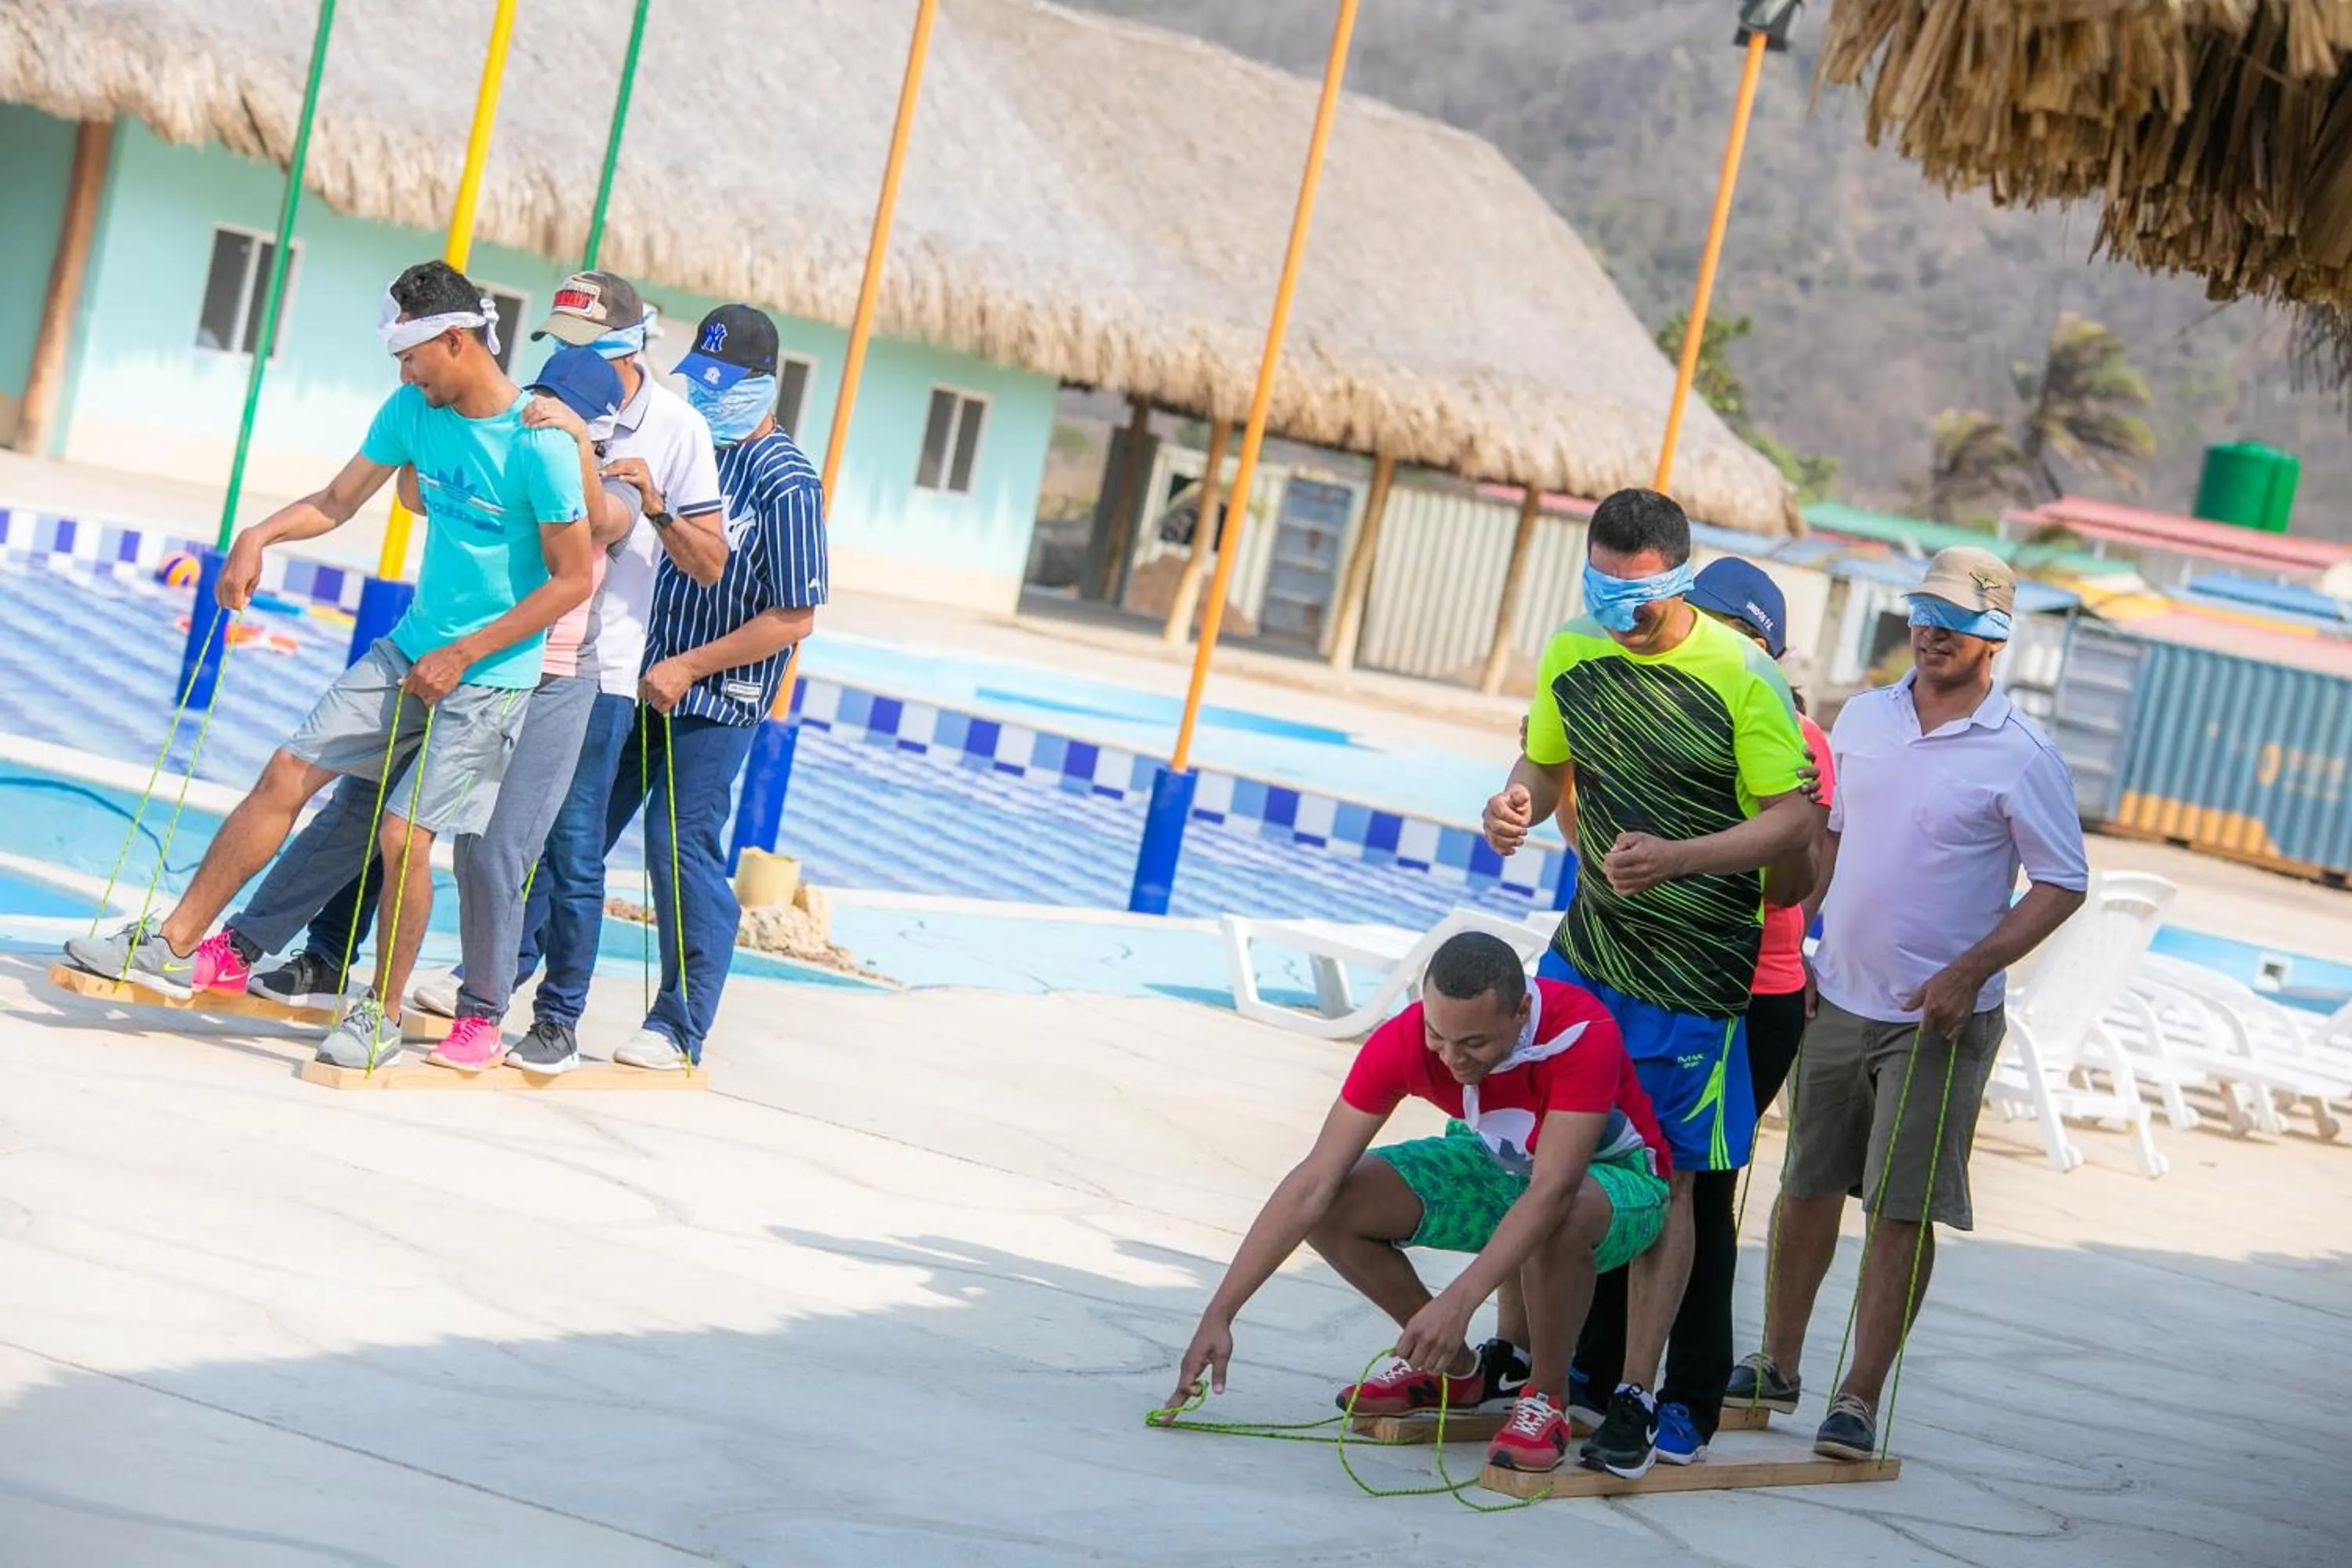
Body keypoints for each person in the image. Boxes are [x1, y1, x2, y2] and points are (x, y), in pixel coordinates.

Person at [63, 260, 593, 1069]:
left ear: (455, 340)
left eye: (411, 356)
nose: (403, 372)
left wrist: (467, 652)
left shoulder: (541, 446)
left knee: (402, 835)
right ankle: (174, 945)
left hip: (490, 677)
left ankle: (376, 1014)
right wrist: (259, 536)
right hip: (412, 647)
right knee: (287, 770)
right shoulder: (413, 409)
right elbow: (340, 499)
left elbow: (572, 579)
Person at [299, 270, 727, 1074]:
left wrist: (605, 466)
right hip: (500, 657)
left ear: (632, 344)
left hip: (586, 671)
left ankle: (553, 1015)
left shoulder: (664, 432)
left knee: (558, 847)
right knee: (432, 828)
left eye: (586, 345)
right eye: (558, 344)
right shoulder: (540, 410)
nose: (566, 360)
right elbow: (428, 496)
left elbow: (633, 537)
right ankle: (377, 969)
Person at [1481, 487, 1818, 1477]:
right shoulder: (1570, 649)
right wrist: (1516, 801)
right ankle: (1536, 1374)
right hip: (1585, 951)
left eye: (1640, 595)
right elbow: (1544, 767)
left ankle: (1634, 1389)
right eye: (1602, 588)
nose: (1619, 612)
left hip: (1694, 973)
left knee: (1670, 1175)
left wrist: (1681, 857)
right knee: (1539, 1146)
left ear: (1679, 578)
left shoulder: (1744, 676)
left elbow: (1793, 826)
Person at [185, 347, 639, 1072]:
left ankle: (493, 1013)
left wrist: (575, 442)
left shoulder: (611, 483)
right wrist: (433, 432)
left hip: (550, 681)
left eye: (557, 406)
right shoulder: (518, 441)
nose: (538, 410)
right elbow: (416, 494)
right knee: (358, 814)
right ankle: (261, 945)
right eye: (539, 397)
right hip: (445, 658)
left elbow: (593, 525)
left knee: (490, 851)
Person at [1733, 546, 2088, 1462]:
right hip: (1840, 995)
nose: (1932, 632)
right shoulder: (1864, 718)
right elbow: (1831, 837)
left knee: (1899, 1204)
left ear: (1996, 636)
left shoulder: (2024, 753)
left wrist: (1969, 971)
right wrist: (1802, 939)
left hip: (1941, 1017)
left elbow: (2061, 881)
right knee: (1806, 1183)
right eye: (1925, 613)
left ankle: (1857, 1392)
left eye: (1957, 621)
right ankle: (1775, 1361)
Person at [1165, 932, 1674, 1475]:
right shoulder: (1405, 1039)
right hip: (1498, 1165)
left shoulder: (1577, 1030)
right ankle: (1457, 1370)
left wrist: (1458, 1303)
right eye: (1438, 1035)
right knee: (1337, 1201)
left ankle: (1545, 1396)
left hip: (1618, 1187)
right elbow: (1314, 1179)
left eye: (1474, 1044)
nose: (1453, 1060)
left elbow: (1552, 1189)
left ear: (1521, 1009)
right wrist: (1221, 1312)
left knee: (1557, 1210)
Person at [596, 303, 828, 1072]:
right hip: (642, 677)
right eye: (702, 379)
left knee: (679, 846)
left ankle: (679, 1023)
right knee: (577, 826)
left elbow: (795, 616)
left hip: (714, 699)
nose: (708, 395)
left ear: (764, 386)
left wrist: (692, 666)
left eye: (725, 384)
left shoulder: (787, 480)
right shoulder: (695, 451)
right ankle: (500, 977)